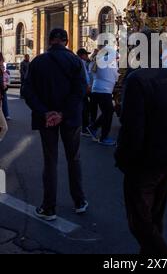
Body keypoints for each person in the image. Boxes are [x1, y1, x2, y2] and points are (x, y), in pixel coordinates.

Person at [115, 31, 167, 255]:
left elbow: (133, 130)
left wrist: (123, 159)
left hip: (144, 163)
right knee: (155, 215)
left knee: (139, 221)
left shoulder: (136, 80)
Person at [24, 28, 88, 221]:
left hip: (47, 119)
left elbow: (27, 92)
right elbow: (80, 91)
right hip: (69, 118)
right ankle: (79, 202)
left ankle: (49, 207)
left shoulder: (38, 62)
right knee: (73, 159)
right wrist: (63, 113)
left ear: (50, 40)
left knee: (50, 161)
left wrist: (46, 112)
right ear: (66, 42)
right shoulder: (76, 61)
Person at [87, 46, 119, 146]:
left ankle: (93, 127)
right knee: (108, 113)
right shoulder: (106, 61)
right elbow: (116, 75)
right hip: (104, 91)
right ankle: (103, 137)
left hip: (97, 90)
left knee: (107, 112)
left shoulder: (96, 61)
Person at [77, 48, 92, 137]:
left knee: (84, 108)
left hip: (79, 88)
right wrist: (88, 86)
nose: (87, 56)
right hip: (82, 88)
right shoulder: (81, 62)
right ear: (82, 55)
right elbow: (85, 75)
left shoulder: (79, 61)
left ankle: (83, 126)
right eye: (86, 55)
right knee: (85, 109)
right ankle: (84, 128)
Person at [0, 54, 10, 121]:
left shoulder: (2, 69)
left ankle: (5, 115)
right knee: (4, 128)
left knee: (4, 101)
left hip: (2, 89)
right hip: (1, 90)